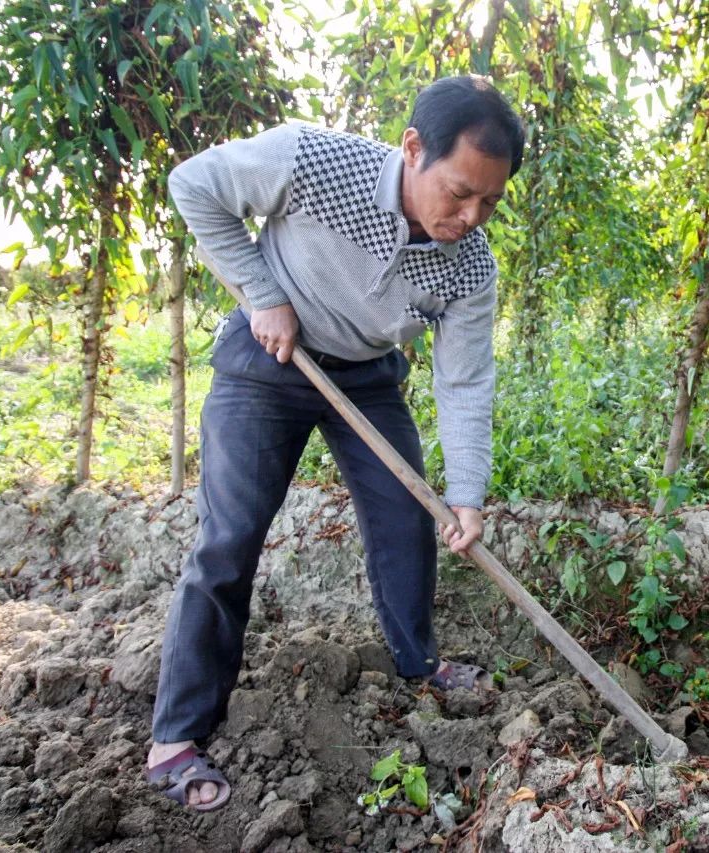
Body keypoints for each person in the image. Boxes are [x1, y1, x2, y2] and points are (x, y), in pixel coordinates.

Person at [144, 76, 524, 811]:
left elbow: (466, 382)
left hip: (367, 378)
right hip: (269, 359)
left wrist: (468, 495)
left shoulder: (470, 266)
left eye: (491, 201)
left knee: (407, 517)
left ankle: (421, 664)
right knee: (229, 538)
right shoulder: (314, 162)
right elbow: (193, 185)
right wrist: (263, 294)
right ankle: (178, 736)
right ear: (413, 149)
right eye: (457, 192)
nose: (471, 215)